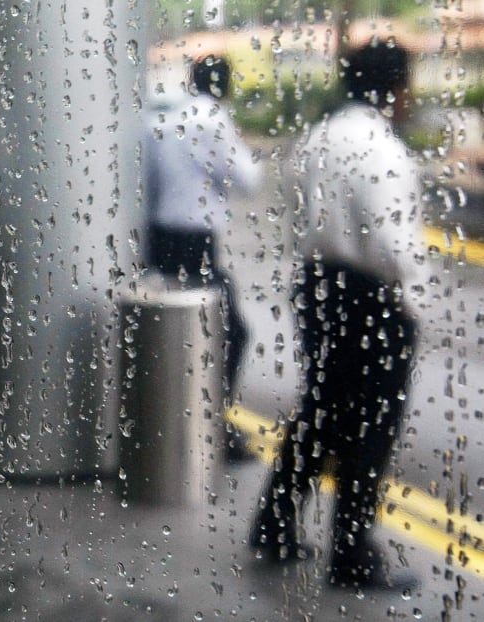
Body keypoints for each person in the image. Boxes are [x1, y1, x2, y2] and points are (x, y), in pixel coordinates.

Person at [250, 40, 430, 590]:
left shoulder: (317, 138)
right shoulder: (382, 149)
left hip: (318, 286)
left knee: (321, 412)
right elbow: (394, 247)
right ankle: (351, 553)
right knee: (370, 427)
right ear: (394, 86)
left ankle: (274, 523)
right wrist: (412, 307)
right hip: (369, 296)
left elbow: (294, 210)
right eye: (407, 83)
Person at [143, 55, 261, 460]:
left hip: (159, 239)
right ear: (226, 85)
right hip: (195, 243)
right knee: (230, 333)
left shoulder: (165, 120)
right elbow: (247, 178)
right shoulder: (213, 119)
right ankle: (213, 426)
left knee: (176, 331)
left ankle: (176, 420)